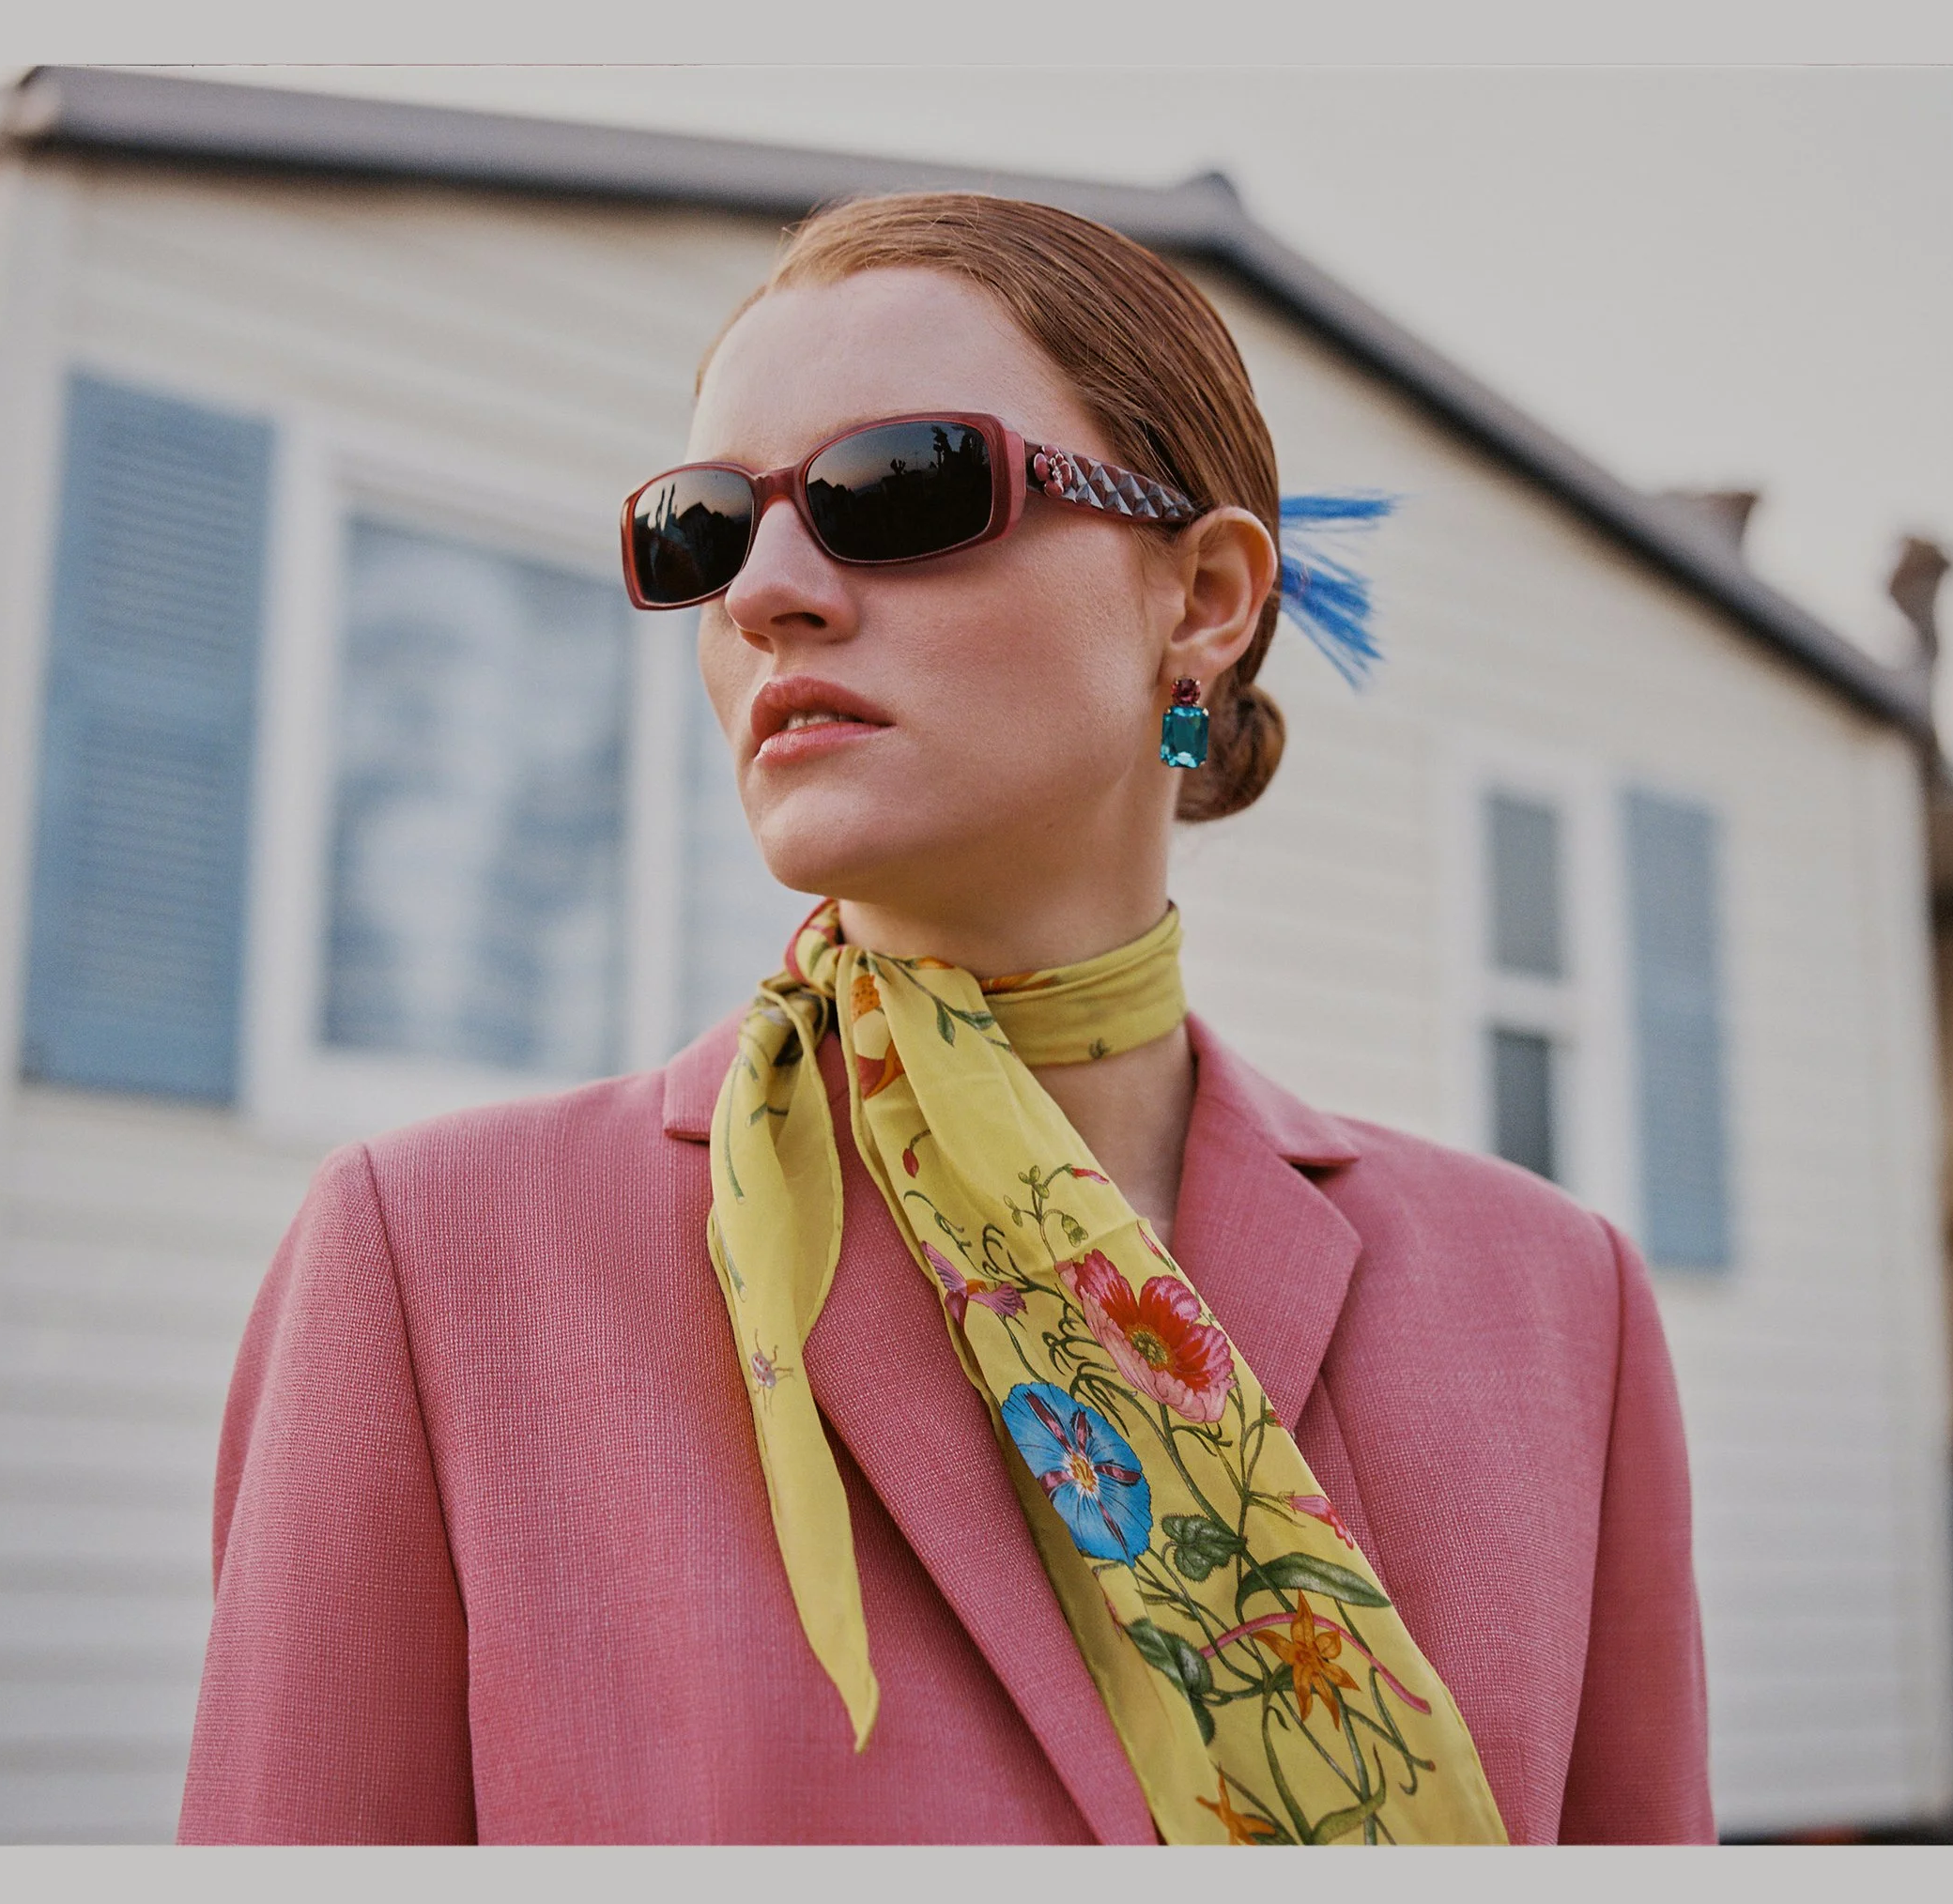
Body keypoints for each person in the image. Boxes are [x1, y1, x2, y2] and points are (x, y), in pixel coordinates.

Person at [177, 192, 1713, 1847]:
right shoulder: (432, 1269)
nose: (764, 590)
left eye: (890, 489)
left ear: (1202, 600)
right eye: (702, 529)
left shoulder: (1559, 1307)